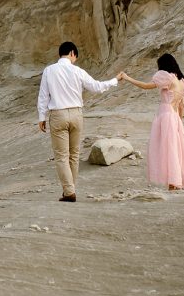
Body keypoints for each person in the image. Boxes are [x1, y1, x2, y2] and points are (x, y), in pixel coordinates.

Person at [37, 42, 122, 202]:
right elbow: (97, 87)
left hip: (58, 114)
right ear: (72, 53)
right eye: (75, 56)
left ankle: (69, 191)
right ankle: (70, 189)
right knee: (74, 155)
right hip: (77, 114)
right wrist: (115, 80)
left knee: (62, 156)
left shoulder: (49, 71)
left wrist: (41, 117)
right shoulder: (78, 71)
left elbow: (43, 96)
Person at [119, 53, 184, 190]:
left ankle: (174, 183)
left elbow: (146, 86)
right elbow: (182, 105)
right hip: (174, 117)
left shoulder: (167, 77)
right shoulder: (183, 82)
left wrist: (127, 78)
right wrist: (179, 122)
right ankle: (175, 181)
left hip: (165, 115)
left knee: (167, 149)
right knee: (175, 149)